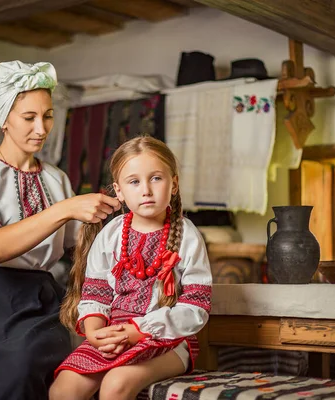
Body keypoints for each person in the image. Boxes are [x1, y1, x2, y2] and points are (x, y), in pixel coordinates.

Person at [0, 60, 122, 400]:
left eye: (48, 116)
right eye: (29, 117)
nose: (41, 128)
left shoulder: (56, 178)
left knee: (54, 367)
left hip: (39, 303)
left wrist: (115, 204)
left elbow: (78, 249)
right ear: (4, 117)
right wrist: (66, 208)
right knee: (15, 367)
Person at [50, 136, 213, 400]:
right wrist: (95, 333)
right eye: (134, 182)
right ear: (120, 191)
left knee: (116, 384)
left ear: (174, 184)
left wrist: (139, 330)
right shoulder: (111, 234)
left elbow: (196, 308)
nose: (146, 190)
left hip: (167, 340)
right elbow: (96, 293)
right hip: (115, 335)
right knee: (63, 389)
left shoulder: (187, 236)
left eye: (156, 178)